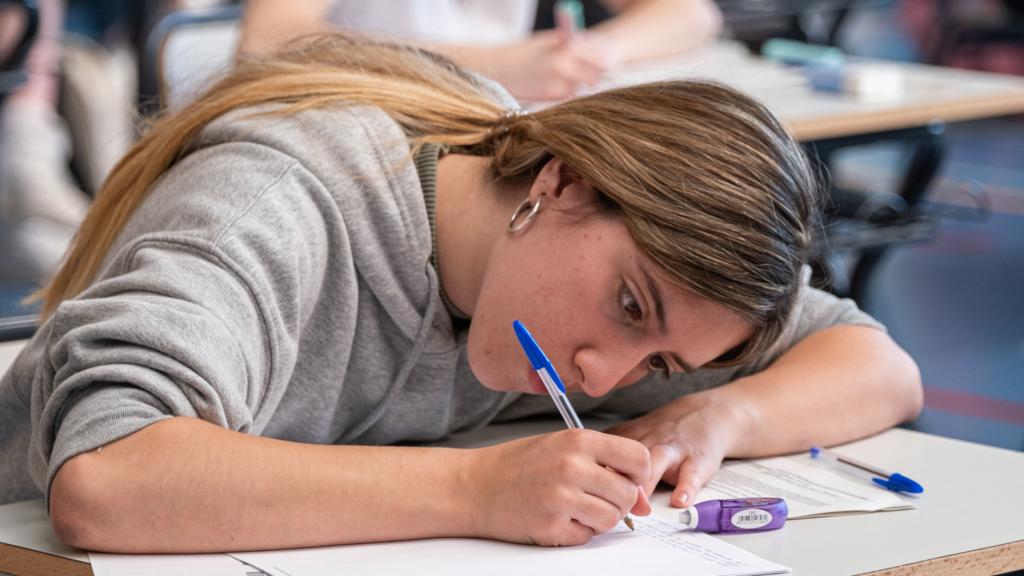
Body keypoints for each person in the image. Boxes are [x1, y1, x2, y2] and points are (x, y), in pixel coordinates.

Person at [0, 32, 921, 552]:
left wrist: (707, 419)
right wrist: (477, 487)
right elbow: (109, 478)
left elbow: (877, 365)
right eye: (630, 308)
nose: (602, 380)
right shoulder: (282, 200)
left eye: (663, 362)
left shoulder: (592, 290)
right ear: (559, 183)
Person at [239, 0, 724, 101]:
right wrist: (497, 67)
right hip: (362, 124)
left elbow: (694, 14)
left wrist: (599, 49)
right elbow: (266, 42)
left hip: (494, 127)